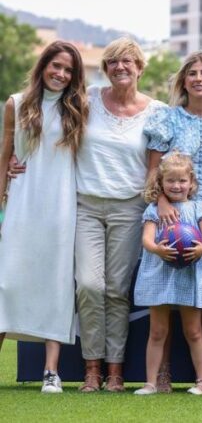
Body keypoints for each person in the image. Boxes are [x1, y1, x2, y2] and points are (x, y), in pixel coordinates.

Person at [74, 37, 165, 392]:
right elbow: (50, 127)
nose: (120, 67)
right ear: (106, 69)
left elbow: (159, 166)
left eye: (127, 61)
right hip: (86, 205)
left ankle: (113, 371)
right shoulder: (88, 98)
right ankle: (91, 368)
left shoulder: (156, 110)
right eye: (113, 62)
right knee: (89, 285)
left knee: (116, 290)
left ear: (140, 68)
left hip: (130, 207)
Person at [0, 41, 89, 393]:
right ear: (43, 66)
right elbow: (5, 156)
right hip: (22, 204)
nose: (61, 74)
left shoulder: (80, 107)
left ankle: (51, 372)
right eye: (56, 66)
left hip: (61, 206)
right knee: (6, 282)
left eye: (68, 70)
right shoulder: (16, 104)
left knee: (57, 284)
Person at [144, 51, 202, 389]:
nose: (198, 78)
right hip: (170, 213)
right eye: (192, 73)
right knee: (166, 294)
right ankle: (162, 373)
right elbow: (153, 169)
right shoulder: (168, 118)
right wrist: (162, 200)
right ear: (183, 80)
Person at [133, 152, 202, 395]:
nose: (177, 186)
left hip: (189, 273)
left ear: (191, 182)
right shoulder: (153, 210)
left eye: (182, 180)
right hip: (160, 272)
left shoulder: (200, 208)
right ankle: (151, 383)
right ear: (161, 183)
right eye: (170, 181)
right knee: (157, 331)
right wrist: (157, 249)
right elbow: (147, 239)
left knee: (193, 330)